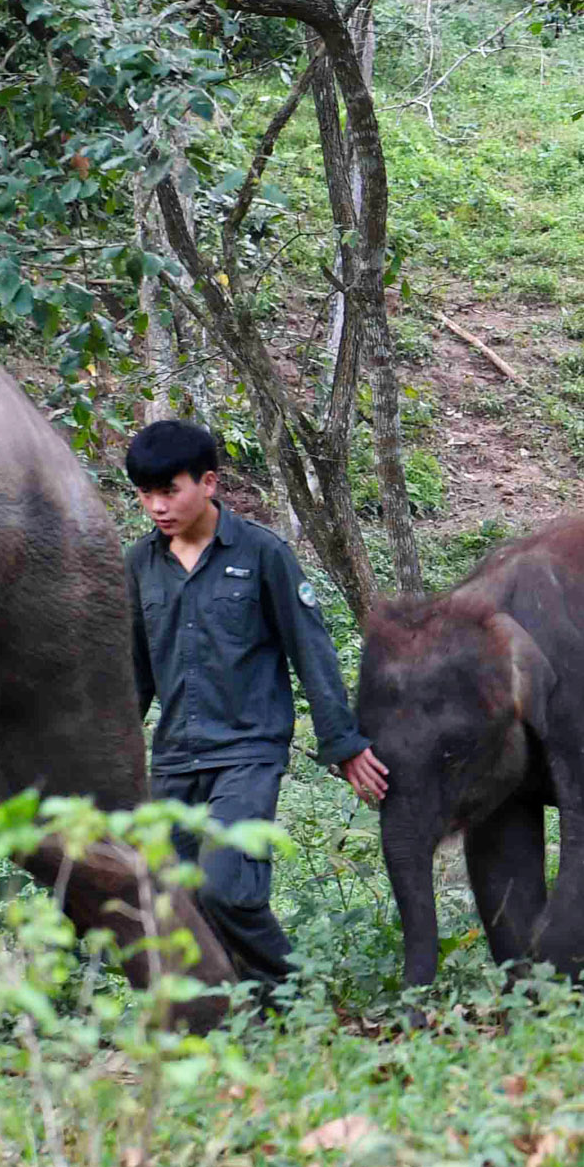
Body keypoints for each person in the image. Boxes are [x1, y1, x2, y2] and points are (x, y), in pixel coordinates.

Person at [126, 420, 386, 988]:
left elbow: (311, 652)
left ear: (209, 482)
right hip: (173, 760)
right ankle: (232, 1014)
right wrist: (107, 761)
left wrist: (342, 742)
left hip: (248, 753)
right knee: (177, 902)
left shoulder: (263, 554)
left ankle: (294, 998)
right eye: (145, 494)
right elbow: (134, 675)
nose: (157, 507)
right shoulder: (139, 565)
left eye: (169, 490)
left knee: (226, 886)